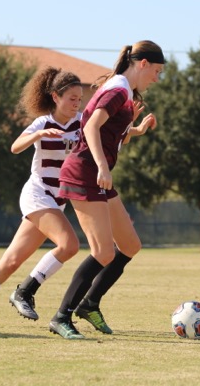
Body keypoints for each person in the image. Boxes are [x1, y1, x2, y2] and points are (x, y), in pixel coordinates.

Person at [0, 67, 83, 326]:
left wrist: (133, 129)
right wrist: (39, 135)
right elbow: (15, 146)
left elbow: (105, 138)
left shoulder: (82, 122)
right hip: (38, 195)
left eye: (79, 99)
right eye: (71, 99)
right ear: (55, 97)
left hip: (56, 201)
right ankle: (25, 292)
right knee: (70, 245)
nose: (77, 104)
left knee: (10, 261)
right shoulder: (43, 122)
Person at [47, 40, 164, 339]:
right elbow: (90, 128)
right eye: (157, 71)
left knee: (129, 246)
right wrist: (101, 166)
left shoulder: (123, 91)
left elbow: (110, 134)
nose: (157, 78)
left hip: (95, 174)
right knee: (101, 252)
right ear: (143, 64)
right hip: (85, 172)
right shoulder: (117, 89)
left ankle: (89, 304)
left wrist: (134, 129)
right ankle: (62, 316)